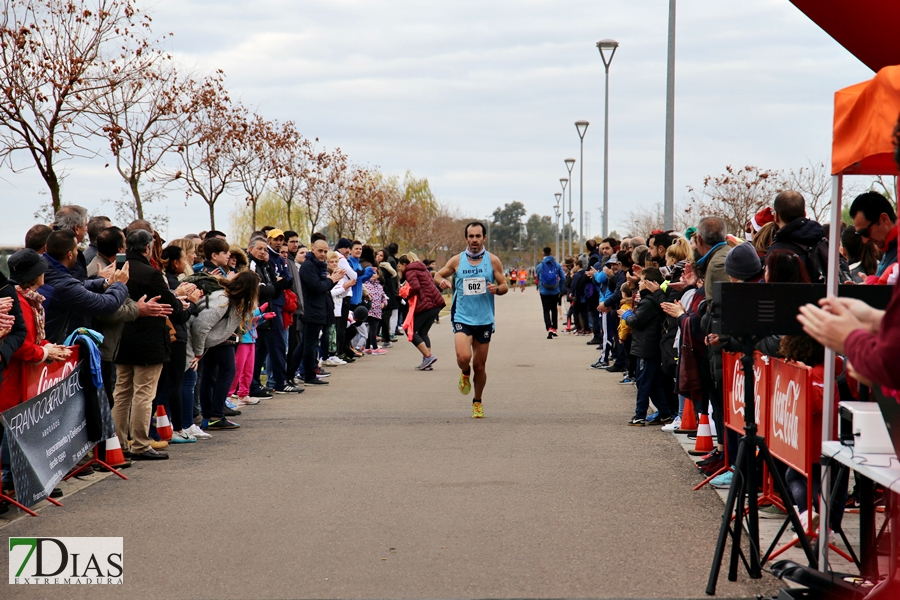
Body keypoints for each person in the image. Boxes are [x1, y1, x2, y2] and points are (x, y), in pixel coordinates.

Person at [113, 230, 185, 461]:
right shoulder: (150, 273)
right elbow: (172, 304)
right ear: (147, 248)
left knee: (122, 392)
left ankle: (119, 442)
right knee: (144, 393)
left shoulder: (117, 269)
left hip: (121, 338)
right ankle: (141, 444)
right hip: (148, 340)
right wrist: (182, 302)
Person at [434, 222, 508, 418]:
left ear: (484, 238)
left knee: (480, 366)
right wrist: (441, 280)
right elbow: (438, 274)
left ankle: (477, 401)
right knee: (463, 358)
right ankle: (464, 371)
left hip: (484, 319)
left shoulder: (493, 261)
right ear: (466, 238)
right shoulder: (457, 261)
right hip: (462, 317)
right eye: (471, 236)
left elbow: (504, 285)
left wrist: (497, 289)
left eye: (478, 236)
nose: (474, 240)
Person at [189, 271, 260, 429]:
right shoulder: (223, 300)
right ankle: (215, 415)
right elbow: (201, 326)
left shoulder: (230, 299)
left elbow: (218, 326)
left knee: (210, 375)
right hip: (211, 343)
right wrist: (199, 351)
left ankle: (210, 415)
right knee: (226, 372)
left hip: (215, 341)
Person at [40, 229, 130, 344]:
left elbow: (79, 286)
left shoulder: (45, 270)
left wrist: (105, 283)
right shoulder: (63, 285)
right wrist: (120, 284)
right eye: (77, 250)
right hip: (49, 349)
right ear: (70, 255)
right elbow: (106, 304)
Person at [299, 239, 344, 386]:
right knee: (309, 345)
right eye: (320, 251)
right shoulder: (308, 266)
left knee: (306, 345)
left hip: (319, 309)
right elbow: (317, 287)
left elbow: (324, 287)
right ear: (313, 248)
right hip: (311, 310)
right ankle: (308, 375)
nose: (323, 254)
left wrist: (334, 280)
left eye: (325, 251)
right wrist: (332, 280)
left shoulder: (320, 265)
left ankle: (302, 372)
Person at [766, 190, 828, 281]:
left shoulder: (776, 252)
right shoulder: (823, 242)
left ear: (776, 216)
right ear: (804, 214)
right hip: (828, 295)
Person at [398, 252, 445, 370]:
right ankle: (427, 361)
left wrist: (406, 293)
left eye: (400, 266)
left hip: (427, 304)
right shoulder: (423, 269)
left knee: (410, 330)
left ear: (405, 264)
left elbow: (416, 287)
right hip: (436, 303)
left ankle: (428, 356)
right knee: (423, 332)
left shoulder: (410, 271)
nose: (400, 269)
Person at [848, 191, 897, 278]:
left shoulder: (895, 250)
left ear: (884, 219)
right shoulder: (889, 250)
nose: (865, 241)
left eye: (865, 232)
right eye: (860, 234)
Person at [536, 246, 565, 338]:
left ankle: (549, 328)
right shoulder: (557, 265)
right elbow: (563, 278)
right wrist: (560, 288)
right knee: (554, 309)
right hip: (555, 291)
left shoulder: (540, 266)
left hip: (544, 291)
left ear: (543, 254)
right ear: (551, 253)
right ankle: (555, 328)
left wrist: (539, 287)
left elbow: (537, 278)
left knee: (546, 310)